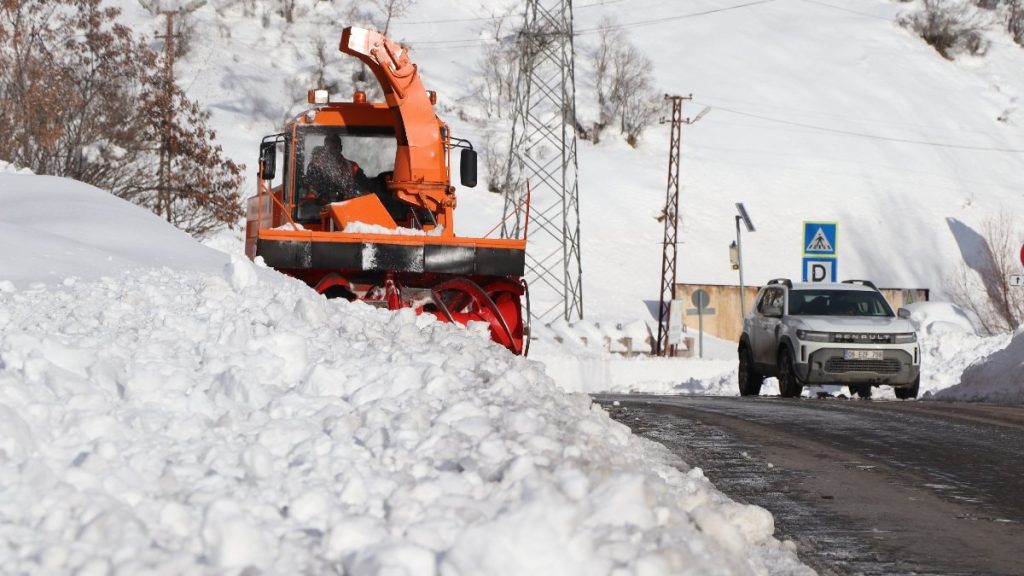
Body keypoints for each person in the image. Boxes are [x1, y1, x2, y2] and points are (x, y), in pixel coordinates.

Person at [305, 134, 368, 205]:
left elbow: (365, 188)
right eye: (329, 148)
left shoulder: (352, 167)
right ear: (325, 149)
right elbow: (312, 191)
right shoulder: (316, 167)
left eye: (335, 147)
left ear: (340, 148)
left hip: (349, 207)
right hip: (323, 209)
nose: (332, 151)